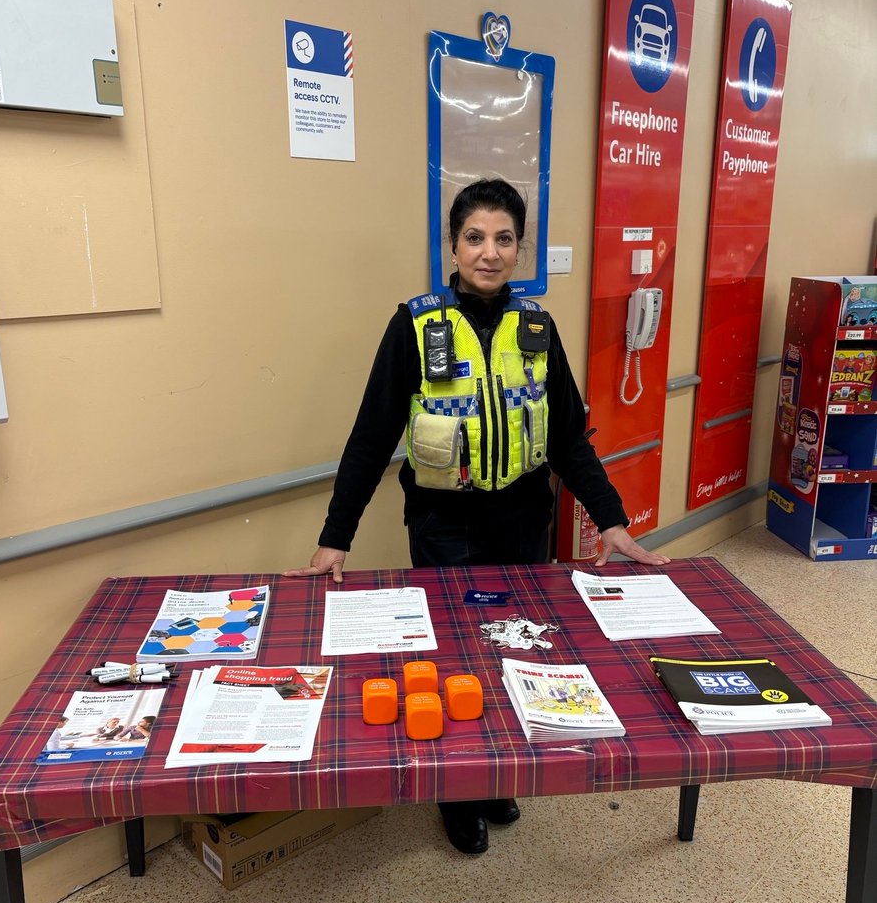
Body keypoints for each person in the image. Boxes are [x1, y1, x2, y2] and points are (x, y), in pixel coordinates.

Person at [285, 177, 669, 855]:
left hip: (523, 519)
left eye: (504, 239)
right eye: (474, 237)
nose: (488, 252)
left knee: (516, 646)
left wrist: (611, 521)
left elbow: (569, 439)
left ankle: (499, 773)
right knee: (456, 654)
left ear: (520, 250)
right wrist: (333, 539)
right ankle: (457, 791)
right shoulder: (415, 324)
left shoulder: (537, 329)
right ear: (453, 246)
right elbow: (371, 437)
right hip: (444, 524)